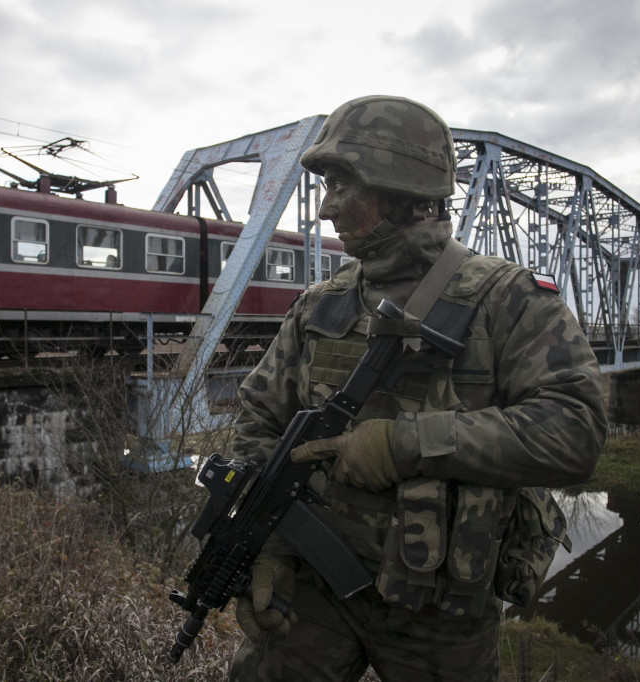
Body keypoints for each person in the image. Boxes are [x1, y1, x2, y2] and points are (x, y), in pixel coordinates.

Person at [227, 95, 608, 682]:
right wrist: (267, 545)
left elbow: (574, 432)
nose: (326, 208)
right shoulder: (319, 307)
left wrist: (404, 444)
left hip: (440, 612)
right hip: (313, 589)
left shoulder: (509, 301)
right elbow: (258, 420)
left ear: (396, 187)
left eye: (340, 186)